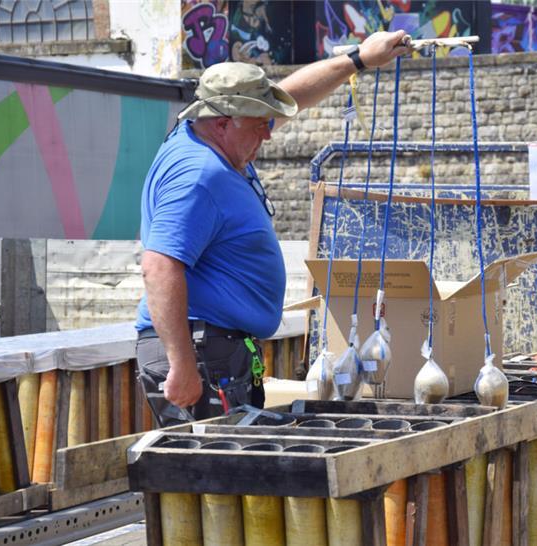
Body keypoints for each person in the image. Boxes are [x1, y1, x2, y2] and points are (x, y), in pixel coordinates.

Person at [135, 31, 410, 426]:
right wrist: (180, 365)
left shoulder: (208, 136)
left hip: (216, 349)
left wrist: (358, 59)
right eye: (260, 125)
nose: (269, 133)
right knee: (213, 478)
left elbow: (289, 95)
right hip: (199, 352)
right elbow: (159, 266)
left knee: (232, 473)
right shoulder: (198, 176)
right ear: (224, 123)